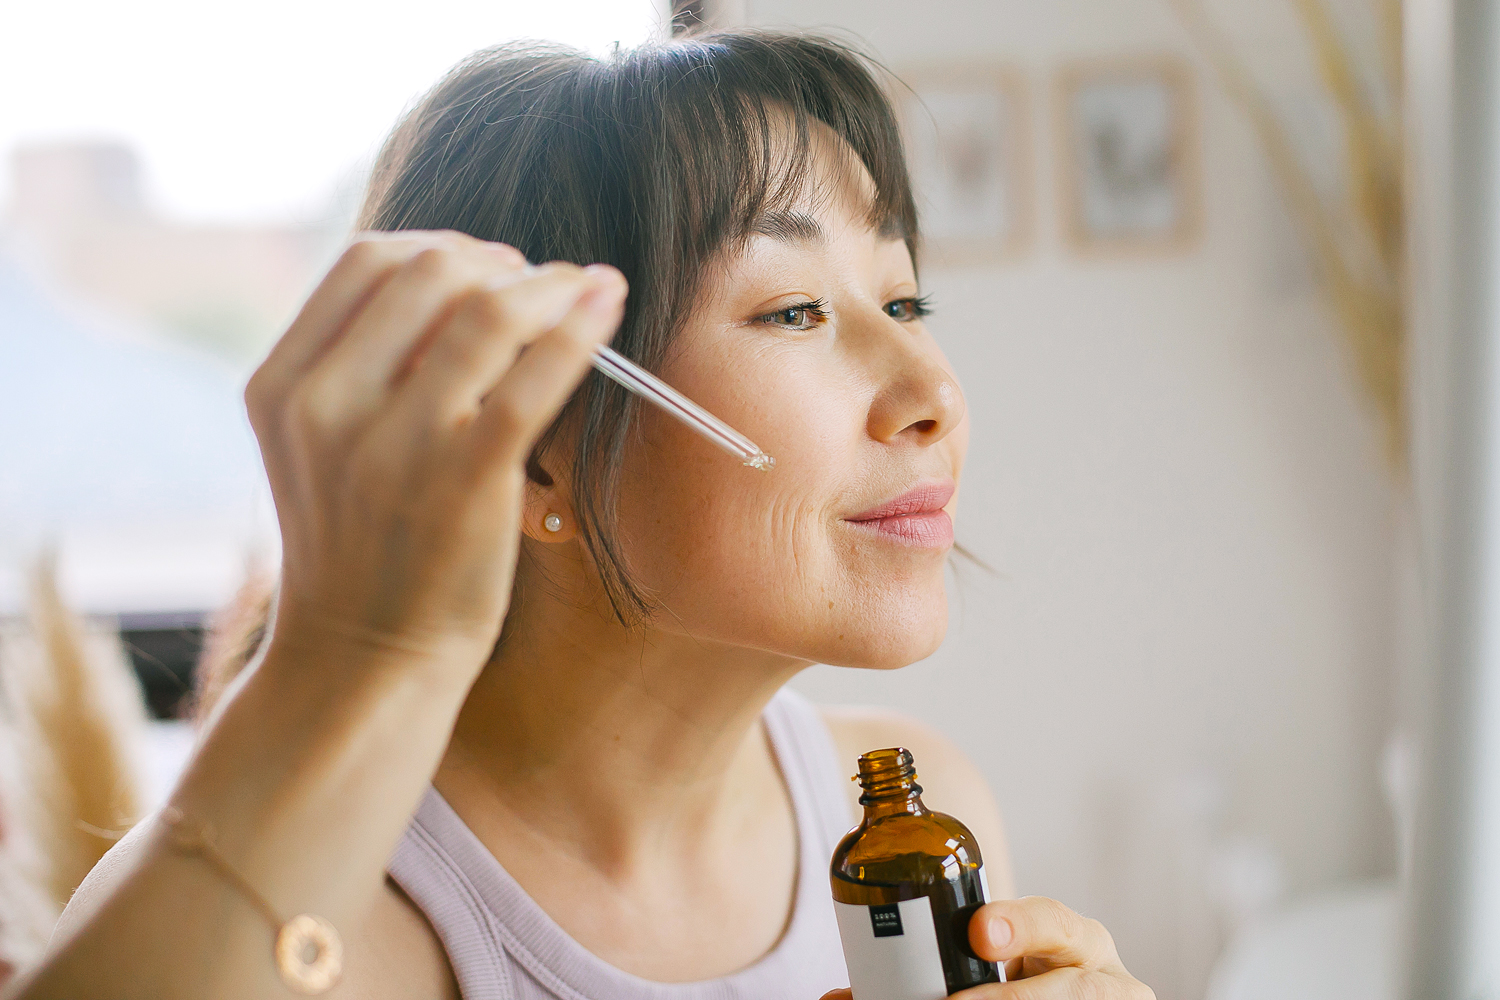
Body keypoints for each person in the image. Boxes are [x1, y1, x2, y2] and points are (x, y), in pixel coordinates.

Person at [6, 30, 1152, 1000]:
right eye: (796, 309)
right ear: (536, 449)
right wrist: (343, 650)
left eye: (905, 298)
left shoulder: (924, 810)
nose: (933, 395)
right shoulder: (335, 934)